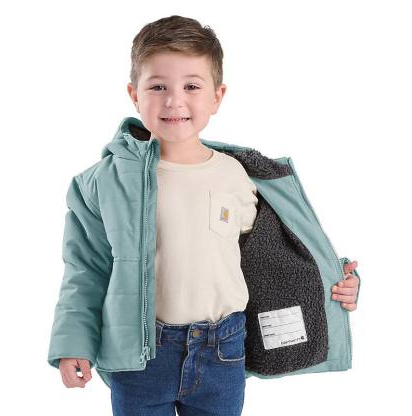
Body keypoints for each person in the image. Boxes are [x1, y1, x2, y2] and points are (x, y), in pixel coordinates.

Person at [47, 15, 360, 416]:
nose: (174, 100)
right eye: (158, 86)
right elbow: (85, 270)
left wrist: (338, 279)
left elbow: (277, 259)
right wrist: (73, 343)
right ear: (134, 94)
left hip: (222, 351)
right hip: (140, 357)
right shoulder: (101, 182)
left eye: (191, 86)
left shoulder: (238, 176)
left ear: (217, 96)